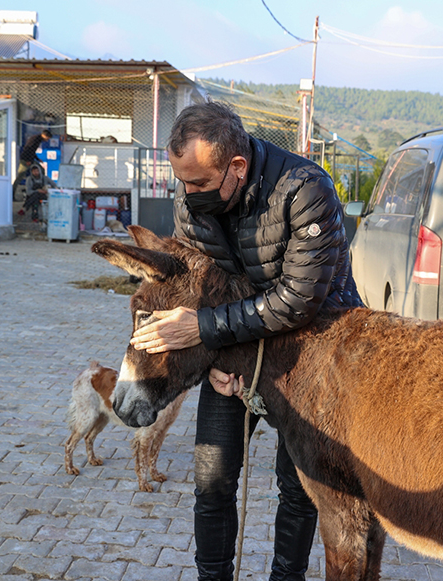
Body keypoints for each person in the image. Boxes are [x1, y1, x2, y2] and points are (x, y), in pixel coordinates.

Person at [130, 101, 362, 581]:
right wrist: (210, 352)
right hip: (231, 354)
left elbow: (298, 300)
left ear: (236, 167)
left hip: (309, 354)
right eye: (181, 182)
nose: (187, 195)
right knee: (212, 482)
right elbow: (196, 288)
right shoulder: (192, 199)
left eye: (197, 184)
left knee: (297, 488)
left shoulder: (306, 191)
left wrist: (206, 331)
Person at [13, 129, 52, 198]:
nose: (47, 140)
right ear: (44, 135)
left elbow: (33, 151)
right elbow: (28, 149)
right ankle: (12, 193)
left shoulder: (38, 139)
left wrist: (37, 159)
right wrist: (28, 160)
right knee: (20, 177)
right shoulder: (35, 139)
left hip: (30, 159)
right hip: (25, 159)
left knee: (41, 170)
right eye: (47, 138)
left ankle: (40, 188)